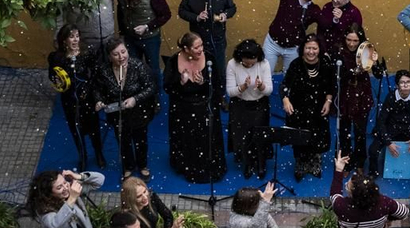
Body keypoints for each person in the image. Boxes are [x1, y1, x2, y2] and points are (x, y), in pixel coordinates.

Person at [91, 36, 158, 180]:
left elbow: (151, 87)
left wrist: (135, 98)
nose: (121, 57)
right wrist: (99, 101)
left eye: (123, 52)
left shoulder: (138, 66)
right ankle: (128, 166)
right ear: (109, 57)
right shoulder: (104, 71)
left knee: (141, 140)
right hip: (117, 113)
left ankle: (142, 165)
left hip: (138, 111)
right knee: (122, 140)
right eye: (116, 54)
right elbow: (97, 89)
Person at [164, 32, 226, 183]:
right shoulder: (173, 61)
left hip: (205, 107)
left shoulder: (209, 59)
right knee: (187, 139)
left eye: (201, 46)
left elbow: (218, 86)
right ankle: (186, 165)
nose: (201, 49)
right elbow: (167, 88)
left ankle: (209, 165)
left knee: (207, 138)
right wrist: (181, 83)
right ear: (186, 49)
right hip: (183, 109)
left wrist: (203, 83)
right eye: (196, 47)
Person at [50, 24, 106, 170]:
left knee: (94, 128)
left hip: (87, 98)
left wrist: (89, 90)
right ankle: (83, 155)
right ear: (64, 40)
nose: (75, 40)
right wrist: (58, 82)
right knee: (76, 129)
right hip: (70, 99)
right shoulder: (58, 57)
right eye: (71, 37)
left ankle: (99, 153)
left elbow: (95, 74)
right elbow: (53, 74)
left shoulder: (87, 53)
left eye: (77, 36)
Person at [281, 36, 335, 180]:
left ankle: (314, 161)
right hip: (299, 108)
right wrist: (286, 99)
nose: (311, 52)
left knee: (317, 136)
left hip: (318, 107)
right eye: (308, 48)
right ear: (303, 49)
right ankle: (300, 162)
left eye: (314, 48)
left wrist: (328, 101)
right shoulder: (296, 64)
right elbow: (285, 85)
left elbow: (331, 85)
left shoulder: (325, 64)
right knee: (299, 137)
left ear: (319, 50)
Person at [369, 68, 410, 177]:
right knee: (372, 150)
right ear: (397, 85)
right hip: (392, 128)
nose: (405, 85)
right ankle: (373, 173)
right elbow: (381, 121)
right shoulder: (390, 97)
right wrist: (388, 142)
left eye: (408, 82)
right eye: (402, 82)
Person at [261, 0, 322, 74]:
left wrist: (336, 15)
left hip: (293, 49)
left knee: (290, 79)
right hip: (272, 44)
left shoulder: (314, 10)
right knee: (265, 76)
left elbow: (325, 23)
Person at [115, 0, 171, 81]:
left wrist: (147, 26)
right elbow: (121, 12)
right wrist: (122, 34)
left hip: (150, 38)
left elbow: (166, 15)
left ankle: (156, 97)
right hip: (130, 38)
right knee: (133, 69)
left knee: (153, 69)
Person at [226, 40, 273, 179]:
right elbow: (230, 92)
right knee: (243, 134)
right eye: (248, 62)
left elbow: (269, 91)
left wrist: (261, 86)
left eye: (253, 61)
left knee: (259, 134)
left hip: (259, 104)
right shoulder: (232, 64)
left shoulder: (263, 64)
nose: (251, 64)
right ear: (241, 57)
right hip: (240, 104)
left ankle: (261, 162)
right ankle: (247, 162)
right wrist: (242, 87)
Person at [28, 168, 104, 228]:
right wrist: (72, 198)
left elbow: (99, 180)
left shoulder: (70, 191)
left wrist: (78, 176)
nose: (65, 188)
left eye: (65, 182)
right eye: (59, 187)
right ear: (49, 193)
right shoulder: (45, 209)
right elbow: (54, 224)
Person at [178, 0, 236, 64]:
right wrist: (197, 17)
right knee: (200, 67)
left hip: (218, 38)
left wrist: (225, 15)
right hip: (198, 39)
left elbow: (232, 8)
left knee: (219, 68)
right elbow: (182, 11)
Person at [336, 24, 375, 163]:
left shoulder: (366, 50)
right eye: (349, 40)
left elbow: (377, 73)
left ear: (360, 40)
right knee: (344, 132)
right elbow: (338, 76)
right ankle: (345, 162)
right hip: (346, 94)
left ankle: (359, 161)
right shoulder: (338, 52)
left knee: (360, 132)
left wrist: (374, 62)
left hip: (362, 94)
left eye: (355, 41)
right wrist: (353, 72)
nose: (351, 44)